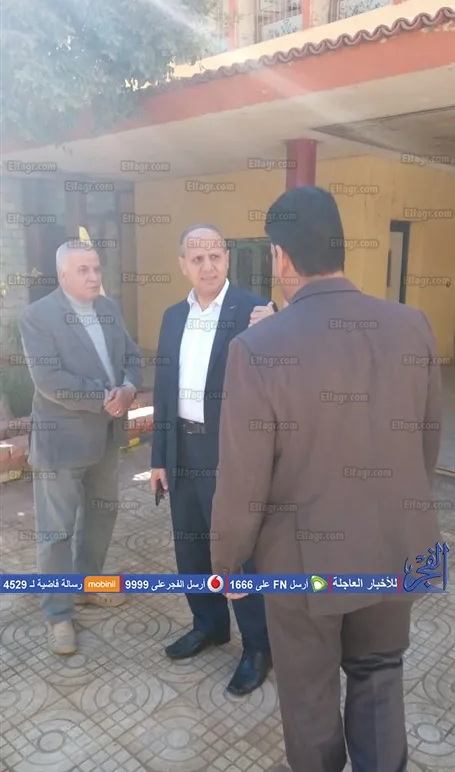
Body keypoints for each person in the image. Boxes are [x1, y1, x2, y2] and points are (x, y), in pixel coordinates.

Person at [210, 186, 442, 772]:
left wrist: (228, 561)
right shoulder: (412, 325)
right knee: (380, 675)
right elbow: (425, 443)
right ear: (340, 247)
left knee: (309, 693)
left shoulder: (257, 347)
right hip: (395, 547)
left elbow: (242, 479)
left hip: (302, 565)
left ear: (281, 257)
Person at [151, 223, 276, 695]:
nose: (208, 266)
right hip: (182, 449)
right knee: (191, 547)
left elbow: (278, 378)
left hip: (230, 453)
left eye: (215, 257)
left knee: (237, 552)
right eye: (197, 259)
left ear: (227, 258)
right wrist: (159, 457)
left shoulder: (255, 311)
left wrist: (276, 329)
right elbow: (164, 391)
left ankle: (258, 646)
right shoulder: (172, 317)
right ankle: (209, 625)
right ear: (183, 265)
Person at [20, 242, 142, 655]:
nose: (93, 276)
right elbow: (49, 379)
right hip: (62, 442)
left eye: (96, 268)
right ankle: (58, 613)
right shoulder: (38, 316)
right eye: (83, 270)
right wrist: (105, 398)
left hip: (106, 437)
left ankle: (88, 585)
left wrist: (128, 388)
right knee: (56, 531)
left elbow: (132, 356)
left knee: (102, 514)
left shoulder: (109, 308)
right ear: (62, 276)